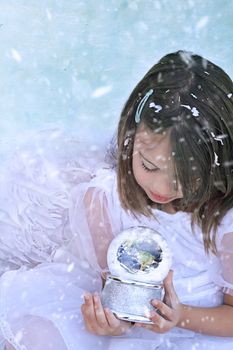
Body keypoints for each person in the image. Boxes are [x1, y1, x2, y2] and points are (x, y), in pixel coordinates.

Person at [1, 50, 233, 350]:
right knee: (34, 337)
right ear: (131, 135)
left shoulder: (224, 222)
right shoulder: (105, 199)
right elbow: (110, 287)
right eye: (149, 166)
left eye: (186, 180)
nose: (161, 187)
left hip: (196, 331)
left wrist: (180, 317)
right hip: (130, 334)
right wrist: (110, 322)